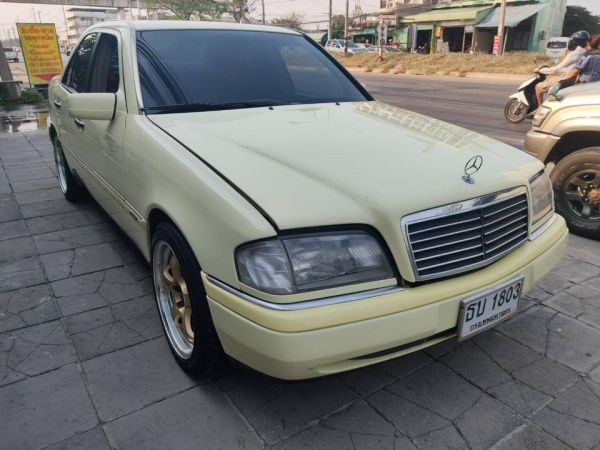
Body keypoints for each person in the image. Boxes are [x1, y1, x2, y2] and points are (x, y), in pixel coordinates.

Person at [535, 30, 590, 108]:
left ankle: (539, 109)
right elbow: (573, 68)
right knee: (551, 79)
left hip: (565, 81)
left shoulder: (573, 54)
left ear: (575, 41)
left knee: (538, 87)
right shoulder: (587, 53)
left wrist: (540, 70)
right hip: (574, 80)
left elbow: (555, 69)